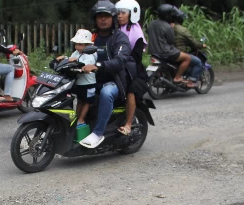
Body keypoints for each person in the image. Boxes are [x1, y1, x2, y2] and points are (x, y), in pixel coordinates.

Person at [79, 1, 136, 149]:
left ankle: (98, 133)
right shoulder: (92, 37)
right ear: (95, 19)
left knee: (106, 93)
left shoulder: (120, 38)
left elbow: (120, 60)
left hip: (114, 81)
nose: (103, 19)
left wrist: (98, 66)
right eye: (99, 16)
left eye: (106, 16)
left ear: (113, 18)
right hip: (91, 79)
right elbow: (79, 52)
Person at [115, 0, 148, 136]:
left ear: (132, 15)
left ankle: (128, 124)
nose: (119, 16)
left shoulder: (136, 33)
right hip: (116, 66)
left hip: (133, 69)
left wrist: (120, 59)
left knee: (131, 90)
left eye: (123, 13)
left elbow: (136, 56)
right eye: (118, 13)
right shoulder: (115, 30)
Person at [56, 29, 97, 132]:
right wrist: (64, 59)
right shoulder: (76, 53)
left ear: (87, 45)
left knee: (86, 102)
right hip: (79, 82)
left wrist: (77, 61)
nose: (77, 46)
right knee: (79, 101)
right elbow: (71, 59)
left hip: (88, 83)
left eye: (80, 44)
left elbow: (86, 64)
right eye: (76, 44)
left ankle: (81, 119)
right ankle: (77, 117)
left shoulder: (91, 54)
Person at [147, 4, 192, 87]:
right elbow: (171, 41)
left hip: (153, 52)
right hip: (166, 52)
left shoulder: (152, 24)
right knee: (187, 58)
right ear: (167, 15)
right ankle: (177, 77)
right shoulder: (168, 26)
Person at [170, 6, 206, 88]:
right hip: (178, 53)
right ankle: (190, 81)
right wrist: (201, 45)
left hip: (167, 52)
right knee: (198, 62)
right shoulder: (182, 30)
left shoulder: (168, 27)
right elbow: (193, 43)